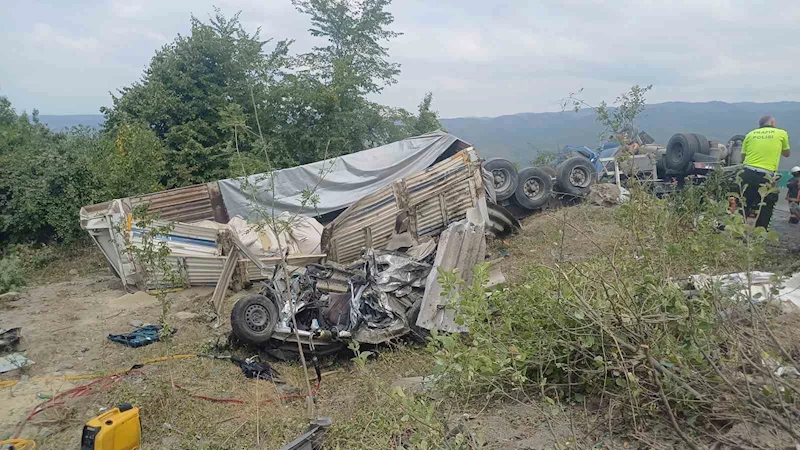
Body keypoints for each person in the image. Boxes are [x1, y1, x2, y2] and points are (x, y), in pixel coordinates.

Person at [740, 115, 791, 229]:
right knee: (766, 206)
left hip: (747, 172)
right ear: (772, 123)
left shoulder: (750, 134)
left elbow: (743, 156)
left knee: (744, 203)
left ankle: (738, 231)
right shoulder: (781, 133)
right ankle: (760, 233)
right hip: (766, 176)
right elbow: (787, 153)